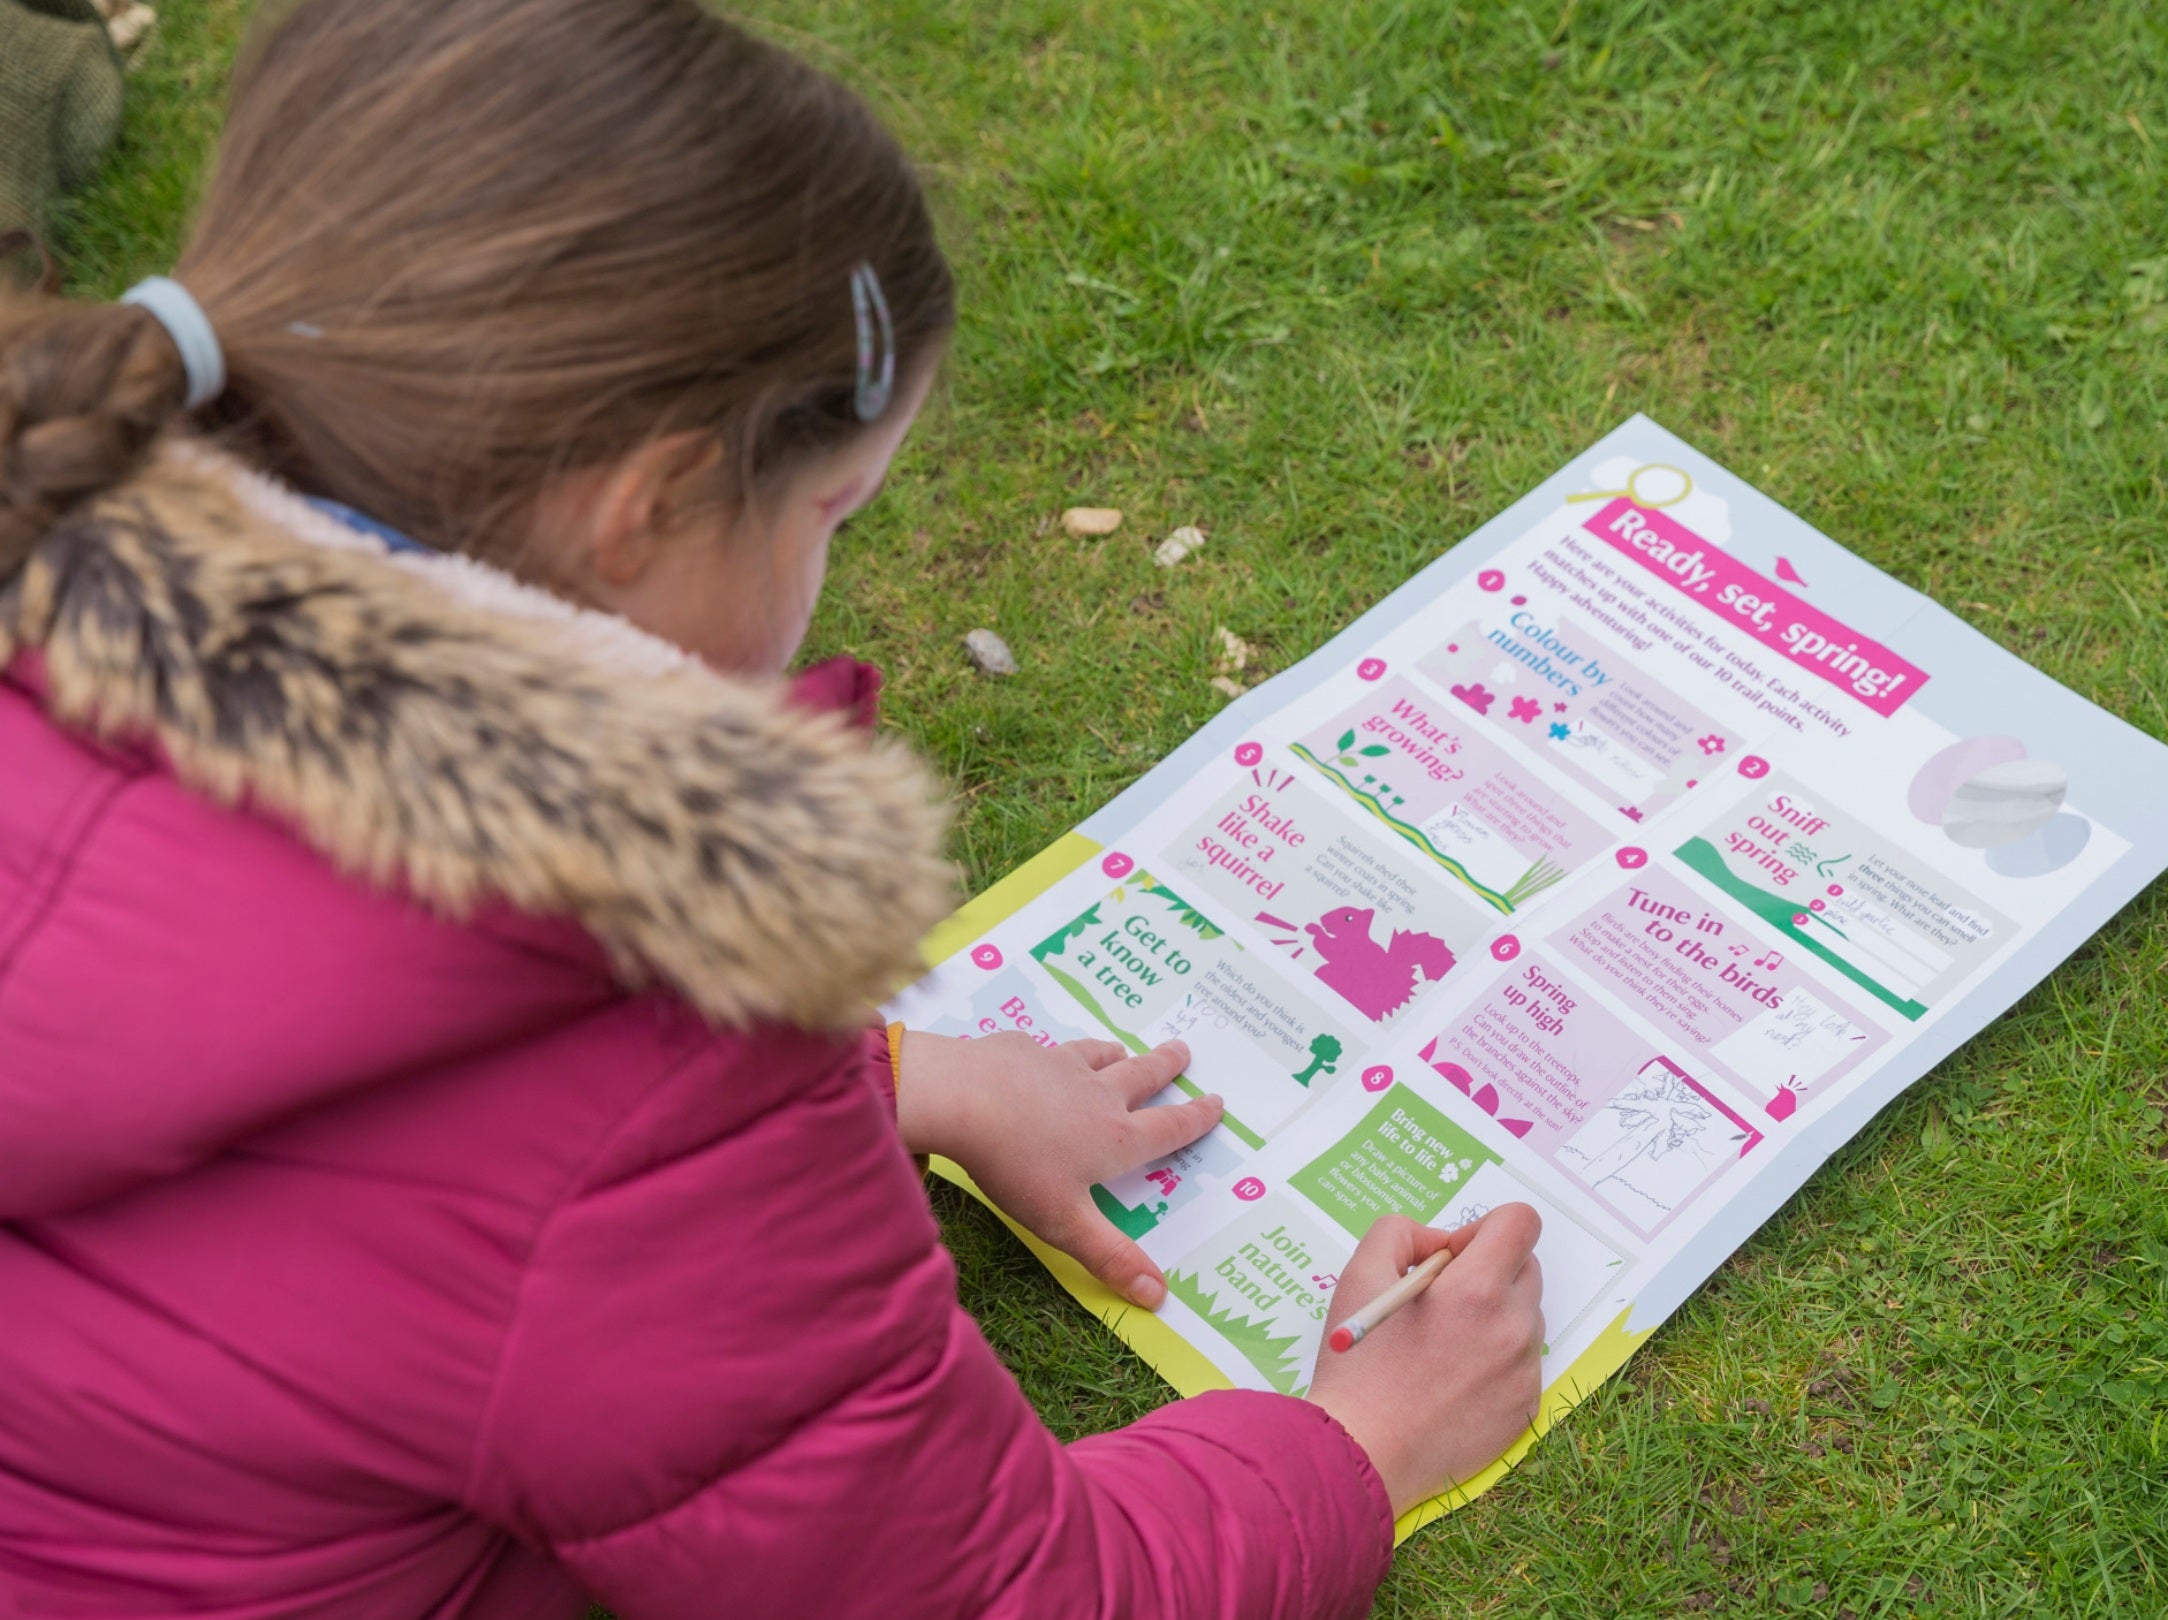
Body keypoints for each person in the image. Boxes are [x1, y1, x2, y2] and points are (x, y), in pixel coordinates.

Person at [0, 1, 1546, 1615]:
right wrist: (1363, 1441)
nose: (831, 569)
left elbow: (371, 1161)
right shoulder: (650, 1040)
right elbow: (993, 1597)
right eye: (836, 510)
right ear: (643, 509)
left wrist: (908, 1077)